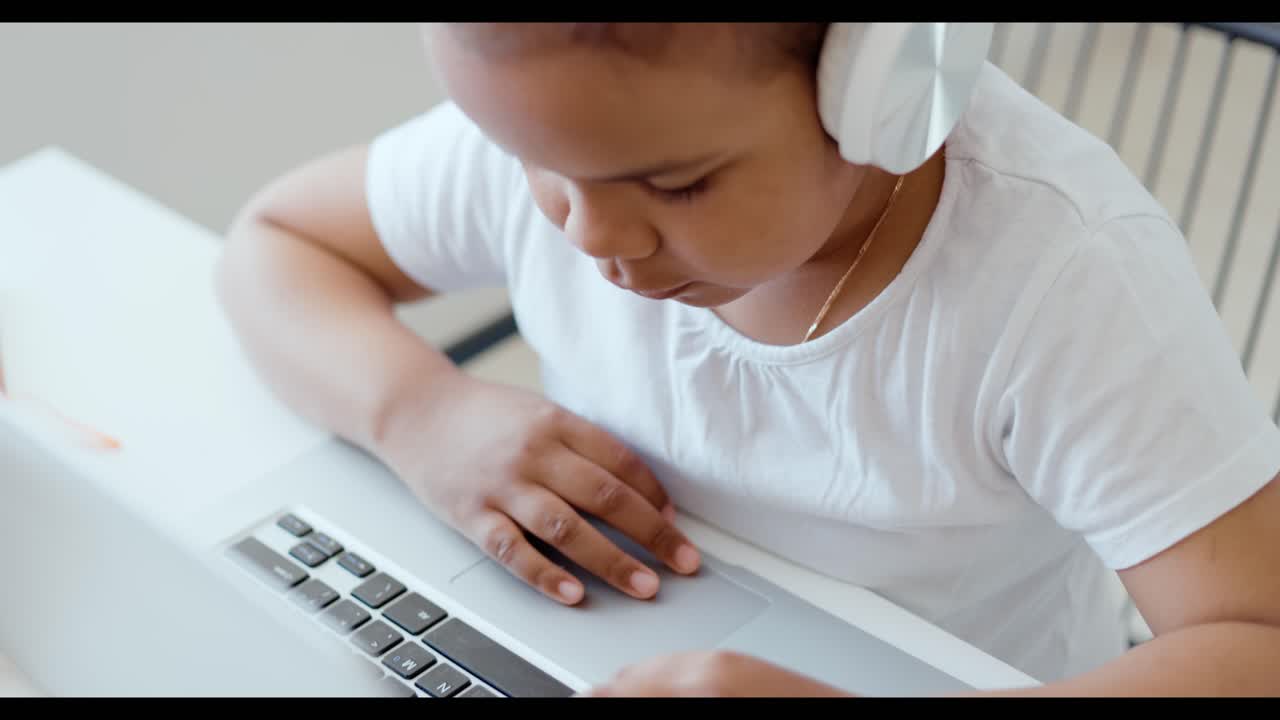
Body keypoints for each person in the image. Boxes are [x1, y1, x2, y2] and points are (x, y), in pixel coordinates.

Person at [215, 23, 1280, 696]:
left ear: (884, 82)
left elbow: (1254, 638)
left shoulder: (1062, 273)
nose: (589, 238)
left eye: (676, 188)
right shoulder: (587, 142)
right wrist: (420, 413)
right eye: (530, 159)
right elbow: (273, 245)